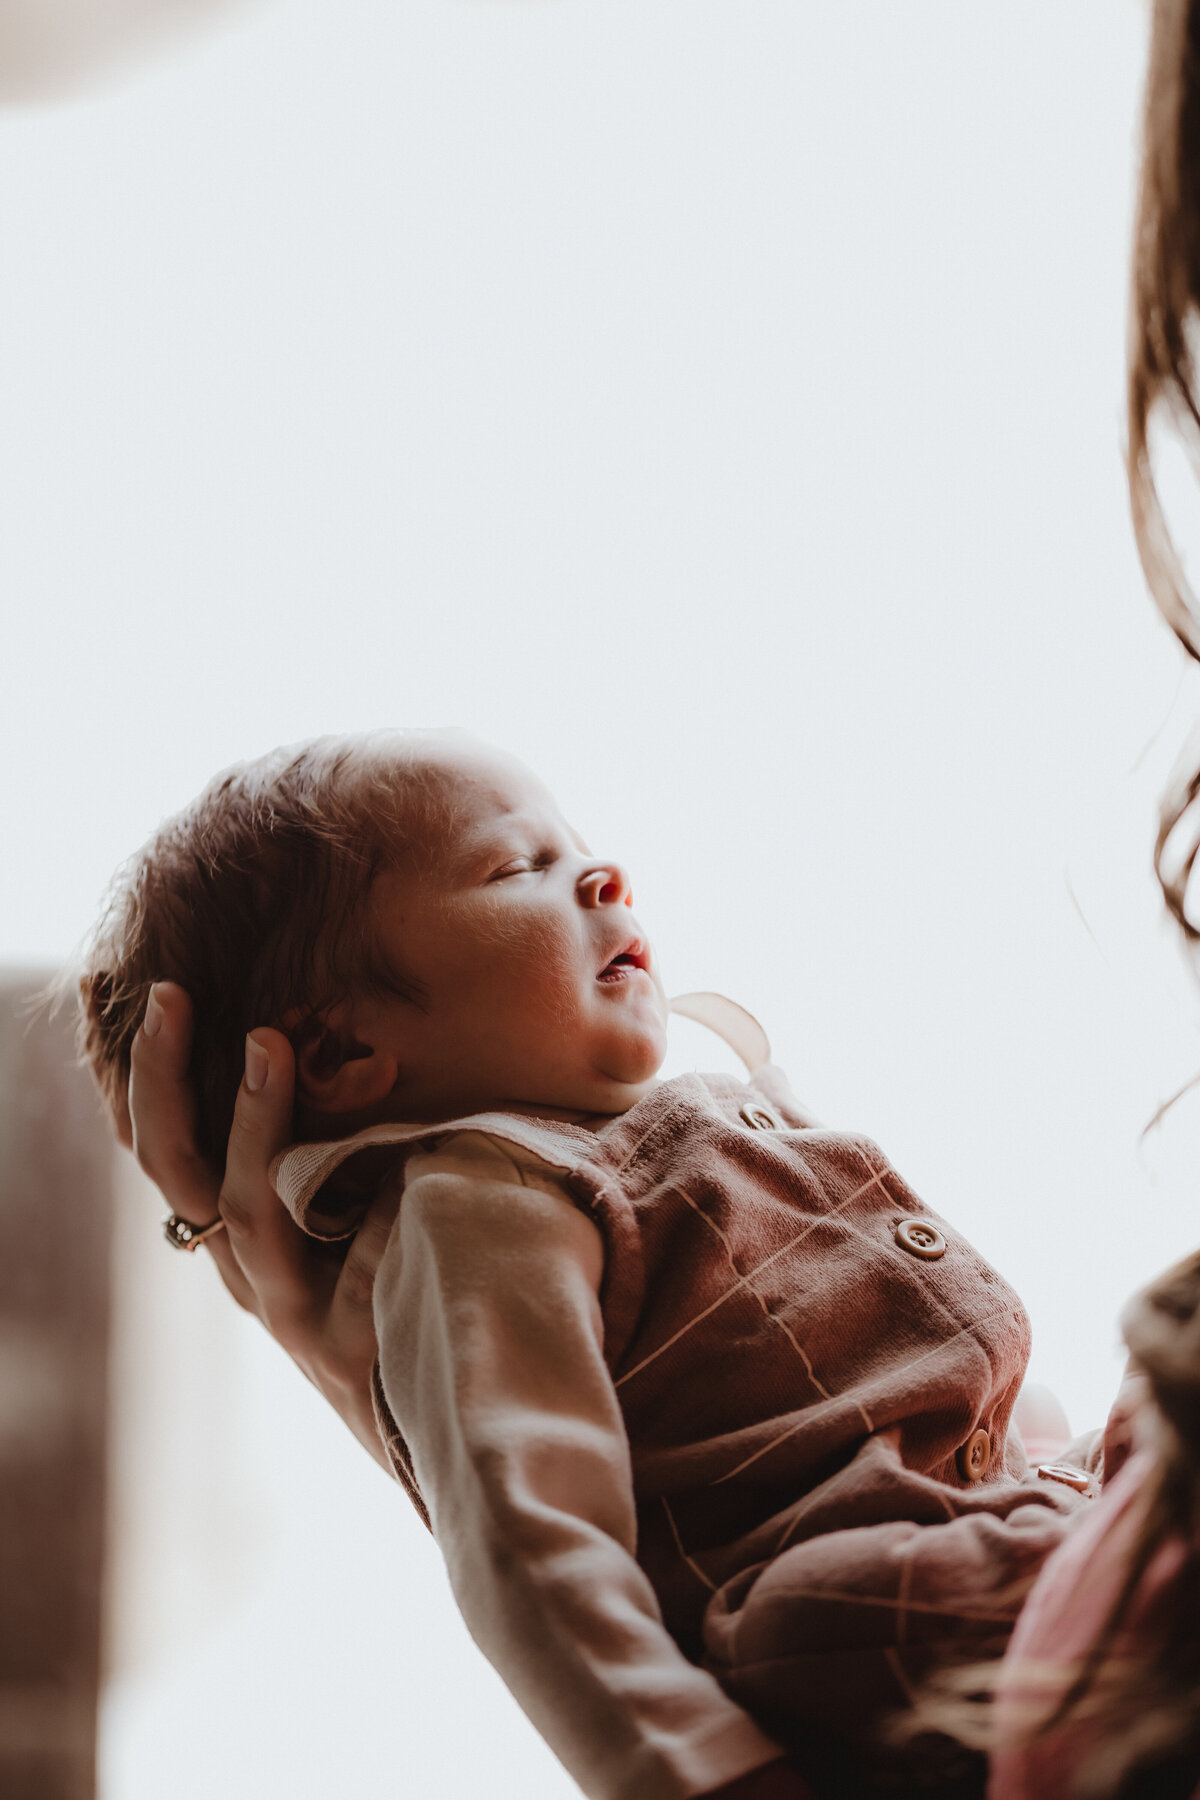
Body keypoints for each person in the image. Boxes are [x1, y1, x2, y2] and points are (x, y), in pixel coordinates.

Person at [81, 728, 1100, 1800]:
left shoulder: (677, 1122)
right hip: (860, 1606)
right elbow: (532, 1550)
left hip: (1001, 1525)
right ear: (339, 1054)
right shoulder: (485, 1202)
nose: (603, 875)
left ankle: (1102, 1551)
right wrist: (700, 1772)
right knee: (847, 1605)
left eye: (579, 848)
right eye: (518, 867)